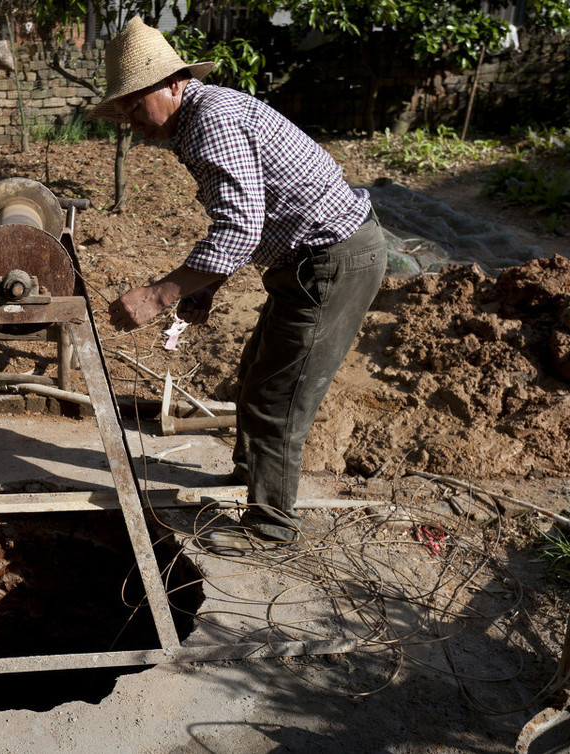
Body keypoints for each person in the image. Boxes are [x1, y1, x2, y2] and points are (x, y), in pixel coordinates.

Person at [87, 17, 386, 543]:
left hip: (331, 261)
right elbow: (250, 214)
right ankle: (253, 485)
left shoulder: (210, 122)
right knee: (256, 376)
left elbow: (241, 228)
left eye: (136, 104)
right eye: (123, 111)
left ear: (175, 82)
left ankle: (272, 527)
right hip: (305, 261)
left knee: (278, 398)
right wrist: (205, 285)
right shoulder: (200, 117)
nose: (131, 120)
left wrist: (160, 294)